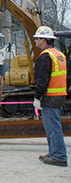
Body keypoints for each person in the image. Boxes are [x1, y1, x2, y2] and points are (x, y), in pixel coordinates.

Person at [32, 26, 68, 167]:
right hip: (59, 95)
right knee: (52, 126)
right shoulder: (58, 55)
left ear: (44, 40)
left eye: (37, 38)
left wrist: (37, 97)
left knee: (53, 127)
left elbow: (42, 80)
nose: (35, 41)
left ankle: (59, 156)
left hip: (50, 96)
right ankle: (53, 152)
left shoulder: (45, 57)